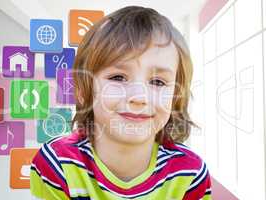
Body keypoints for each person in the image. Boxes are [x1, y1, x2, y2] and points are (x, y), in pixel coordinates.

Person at [30, 6, 212, 200]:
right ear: (83, 91)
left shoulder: (190, 174)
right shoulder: (56, 163)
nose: (139, 97)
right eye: (118, 77)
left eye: (158, 82)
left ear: (176, 97)